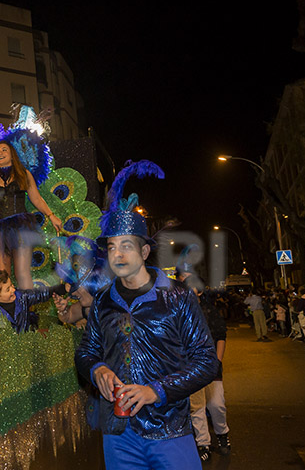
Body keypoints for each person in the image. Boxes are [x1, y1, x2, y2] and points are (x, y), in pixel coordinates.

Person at [74, 173, 218, 470]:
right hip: (118, 435)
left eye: (126, 245)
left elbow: (206, 362)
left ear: (144, 251)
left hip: (168, 431)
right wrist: (97, 368)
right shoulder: (103, 301)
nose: (117, 253)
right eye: (112, 247)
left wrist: (156, 391)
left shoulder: (177, 297)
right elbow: (85, 352)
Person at [0, 141, 63, 289]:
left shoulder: (23, 174)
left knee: (22, 273)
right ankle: (5, 311)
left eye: (4, 150)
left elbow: (36, 198)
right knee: (1, 275)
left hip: (20, 228)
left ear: (12, 155)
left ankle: (26, 309)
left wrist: (51, 215)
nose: (0, 153)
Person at [187, 284, 231, 463]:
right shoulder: (179, 311)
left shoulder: (209, 311)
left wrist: (217, 362)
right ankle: (203, 443)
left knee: (216, 404)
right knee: (196, 407)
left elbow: (221, 336)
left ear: (199, 291)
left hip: (211, 367)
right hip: (190, 369)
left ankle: (222, 433)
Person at [0, 267, 68, 333]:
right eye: (8, 289)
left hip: (27, 342)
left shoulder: (20, 296)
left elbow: (39, 294)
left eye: (12, 285)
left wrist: (62, 288)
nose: (13, 290)